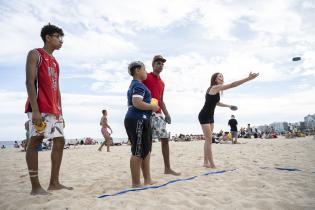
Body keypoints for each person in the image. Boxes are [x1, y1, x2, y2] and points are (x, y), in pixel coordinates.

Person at [24, 23, 73, 195]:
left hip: (54, 109)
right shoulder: (35, 54)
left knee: (60, 141)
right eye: (58, 37)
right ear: (48, 37)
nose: (61, 41)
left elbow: (56, 88)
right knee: (35, 141)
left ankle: (54, 182)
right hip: (39, 107)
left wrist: (61, 111)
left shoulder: (55, 61)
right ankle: (35, 186)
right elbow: (30, 82)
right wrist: (35, 110)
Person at [198, 72, 259, 168]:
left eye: (222, 77)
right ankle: (212, 164)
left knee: (208, 140)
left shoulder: (216, 90)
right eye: (220, 77)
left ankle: (206, 162)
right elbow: (233, 85)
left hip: (210, 117)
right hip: (204, 116)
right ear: (215, 79)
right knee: (209, 141)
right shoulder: (214, 88)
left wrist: (229, 106)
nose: (222, 78)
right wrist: (248, 78)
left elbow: (216, 103)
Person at [143, 55, 181, 176]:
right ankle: (146, 172)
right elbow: (136, 89)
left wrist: (167, 114)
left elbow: (161, 100)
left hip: (158, 114)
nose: (160, 65)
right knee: (148, 141)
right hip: (147, 112)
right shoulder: (146, 77)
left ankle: (167, 168)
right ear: (153, 64)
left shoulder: (162, 83)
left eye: (162, 64)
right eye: (158, 63)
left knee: (165, 139)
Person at [124, 61, 159, 187]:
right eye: (144, 69)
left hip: (142, 119)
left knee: (146, 151)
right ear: (137, 70)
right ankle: (136, 183)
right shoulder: (138, 85)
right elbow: (137, 102)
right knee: (138, 151)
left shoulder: (137, 85)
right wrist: (153, 106)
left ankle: (147, 179)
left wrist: (150, 106)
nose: (146, 72)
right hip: (137, 119)